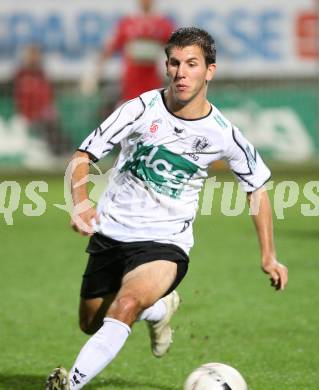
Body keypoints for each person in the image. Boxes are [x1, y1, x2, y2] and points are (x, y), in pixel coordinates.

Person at [46, 27, 288, 389]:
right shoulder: (140, 109)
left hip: (165, 243)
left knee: (125, 306)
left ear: (210, 70)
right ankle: (160, 308)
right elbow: (83, 156)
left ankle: (70, 384)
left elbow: (257, 189)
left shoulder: (223, 133)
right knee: (90, 323)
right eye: (174, 63)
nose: (181, 72)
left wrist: (269, 256)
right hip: (112, 233)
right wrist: (80, 204)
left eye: (192, 64)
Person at [80, 0, 174, 102]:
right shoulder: (127, 23)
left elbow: (174, 48)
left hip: (151, 78)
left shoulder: (163, 24)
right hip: (131, 78)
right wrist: (95, 71)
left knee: (152, 107)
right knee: (132, 108)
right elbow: (111, 47)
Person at [13, 44, 71, 156]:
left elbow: (49, 98)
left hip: (44, 116)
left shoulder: (42, 75)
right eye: (32, 55)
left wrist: (50, 111)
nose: (35, 58)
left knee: (57, 128)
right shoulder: (21, 75)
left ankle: (62, 155)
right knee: (48, 128)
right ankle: (56, 155)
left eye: (36, 55)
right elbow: (18, 100)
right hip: (29, 117)